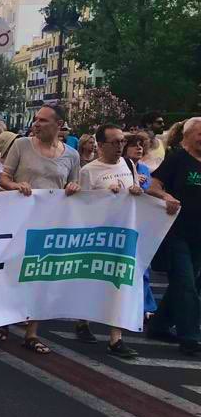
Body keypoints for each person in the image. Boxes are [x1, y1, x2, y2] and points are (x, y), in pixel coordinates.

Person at [0, 104, 81, 354]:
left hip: (51, 223)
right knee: (13, 272)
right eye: (36, 119)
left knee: (41, 274)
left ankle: (32, 332)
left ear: (59, 125)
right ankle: (3, 319)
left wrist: (74, 188)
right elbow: (3, 178)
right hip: (20, 221)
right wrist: (15, 186)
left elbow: (74, 183)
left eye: (44, 120)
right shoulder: (22, 145)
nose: (37, 124)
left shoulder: (72, 155)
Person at [73, 124, 141, 358]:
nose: (120, 146)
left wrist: (135, 190)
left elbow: (136, 193)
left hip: (123, 234)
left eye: (123, 141)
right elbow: (81, 205)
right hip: (98, 235)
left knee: (119, 282)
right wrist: (102, 194)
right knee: (93, 280)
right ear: (100, 145)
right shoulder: (89, 171)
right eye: (115, 142)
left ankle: (115, 339)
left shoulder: (129, 164)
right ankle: (83, 320)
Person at [146, 116, 201, 355]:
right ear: (187, 136)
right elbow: (153, 187)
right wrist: (166, 197)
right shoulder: (177, 159)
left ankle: (159, 325)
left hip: (199, 234)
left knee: (187, 283)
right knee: (185, 282)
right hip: (176, 232)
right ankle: (190, 336)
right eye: (200, 134)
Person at [124, 131, 158, 317]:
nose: (138, 148)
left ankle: (146, 307)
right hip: (123, 221)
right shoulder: (120, 167)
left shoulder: (144, 169)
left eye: (141, 145)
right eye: (133, 145)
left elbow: (151, 192)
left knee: (144, 266)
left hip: (142, 220)